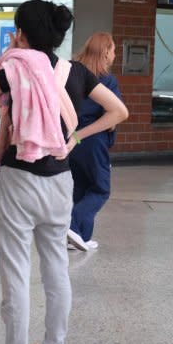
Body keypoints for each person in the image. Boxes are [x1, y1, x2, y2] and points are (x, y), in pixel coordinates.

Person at [0, 0, 128, 344]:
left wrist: (9, 55)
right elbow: (118, 111)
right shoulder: (75, 73)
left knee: (16, 270)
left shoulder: (15, 69)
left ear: (20, 33)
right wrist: (75, 137)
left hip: (19, 178)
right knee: (56, 267)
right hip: (60, 178)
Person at [67, 32, 123, 252]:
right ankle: (71, 224)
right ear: (105, 51)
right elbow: (115, 114)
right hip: (93, 140)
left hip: (71, 137)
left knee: (80, 187)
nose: (115, 55)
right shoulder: (106, 80)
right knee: (100, 188)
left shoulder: (72, 74)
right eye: (113, 50)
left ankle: (80, 236)